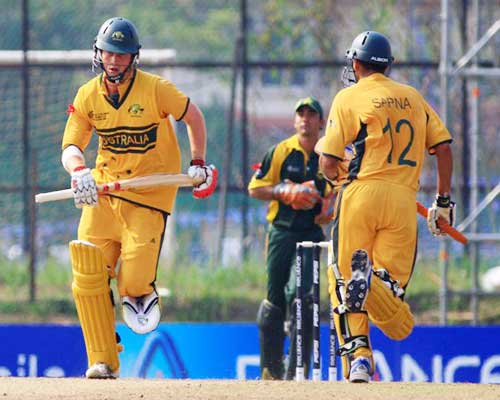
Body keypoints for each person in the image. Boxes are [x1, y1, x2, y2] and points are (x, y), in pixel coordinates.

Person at [61, 17, 217, 379]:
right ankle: (102, 360)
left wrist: (198, 163)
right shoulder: (87, 94)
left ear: (134, 57)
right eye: (108, 52)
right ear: (97, 52)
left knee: (130, 281)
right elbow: (71, 145)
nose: (114, 60)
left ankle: (140, 293)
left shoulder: (156, 89)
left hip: (148, 197)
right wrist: (78, 171)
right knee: (88, 275)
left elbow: (193, 116)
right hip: (103, 193)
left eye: (122, 54)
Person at [315, 31, 454, 383]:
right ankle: (376, 284)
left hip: (360, 195)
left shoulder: (349, 97)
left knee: (342, 278)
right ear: (388, 64)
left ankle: (359, 358)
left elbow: (329, 161)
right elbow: (444, 149)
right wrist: (442, 203)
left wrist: (336, 176)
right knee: (392, 306)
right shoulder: (413, 96)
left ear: (356, 63)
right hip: (404, 203)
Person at [248, 97, 336, 380]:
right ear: (295, 120)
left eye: (312, 115)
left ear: (321, 122)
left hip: (310, 234)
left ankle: (296, 371)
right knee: (275, 298)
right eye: (301, 114)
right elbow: (255, 188)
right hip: (281, 232)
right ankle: (269, 367)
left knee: (305, 297)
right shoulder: (281, 151)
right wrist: (284, 192)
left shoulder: (329, 156)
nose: (305, 120)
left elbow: (338, 188)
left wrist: (328, 204)